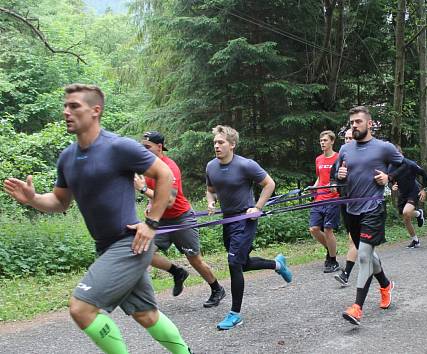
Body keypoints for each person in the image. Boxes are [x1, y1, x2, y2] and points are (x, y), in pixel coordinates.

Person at [3, 84, 192, 353]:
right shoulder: (67, 158)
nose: (66, 111)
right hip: (106, 246)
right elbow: (59, 201)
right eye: (65, 106)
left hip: (130, 242)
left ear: (95, 111)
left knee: (81, 308)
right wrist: (33, 199)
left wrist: (151, 224)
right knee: (146, 314)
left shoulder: (118, 147)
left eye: (74, 106)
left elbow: (165, 175)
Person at [206, 125, 292, 330]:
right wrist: (211, 202)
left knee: (234, 263)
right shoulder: (211, 166)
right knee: (242, 264)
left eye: (221, 142)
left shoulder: (246, 165)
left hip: (245, 220)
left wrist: (257, 207)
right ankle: (278, 265)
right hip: (228, 220)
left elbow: (269, 184)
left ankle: (235, 314)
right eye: (215, 143)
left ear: (232, 145)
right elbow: (210, 190)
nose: (217, 146)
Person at [134, 131, 225, 307]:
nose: (143, 151)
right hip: (159, 220)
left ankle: (217, 289)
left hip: (181, 218)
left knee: (194, 259)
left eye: (147, 147)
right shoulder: (148, 167)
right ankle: (177, 272)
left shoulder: (170, 167)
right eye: (142, 147)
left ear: (159, 147)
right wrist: (150, 203)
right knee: (145, 252)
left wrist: (143, 189)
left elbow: (169, 200)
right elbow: (156, 196)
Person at [336, 106, 403, 325]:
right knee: (368, 254)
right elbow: (338, 180)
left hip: (373, 208)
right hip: (351, 209)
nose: (354, 125)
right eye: (351, 122)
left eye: (358, 121)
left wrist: (389, 176)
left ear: (369, 123)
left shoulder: (384, 148)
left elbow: (405, 165)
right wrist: (340, 175)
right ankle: (385, 284)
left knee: (363, 255)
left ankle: (357, 307)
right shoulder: (345, 150)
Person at [308, 130, 340, 273]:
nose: (322, 143)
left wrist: (335, 185)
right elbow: (320, 177)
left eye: (325, 140)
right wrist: (314, 188)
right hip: (319, 199)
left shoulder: (339, 158)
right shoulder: (318, 159)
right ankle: (330, 247)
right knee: (314, 229)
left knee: (328, 229)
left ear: (332, 141)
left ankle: (332, 260)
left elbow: (342, 177)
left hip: (333, 199)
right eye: (321, 141)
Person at [389, 146, 427, 249]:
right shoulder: (391, 166)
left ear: (401, 154)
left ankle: (418, 213)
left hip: (413, 191)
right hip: (402, 193)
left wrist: (424, 189)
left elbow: (423, 174)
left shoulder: (410, 164)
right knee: (405, 217)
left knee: (406, 212)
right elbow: (390, 179)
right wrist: (392, 186)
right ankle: (415, 240)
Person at [333, 129, 358, 286]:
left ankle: (346, 273)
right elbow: (333, 175)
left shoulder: (364, 155)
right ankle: (378, 272)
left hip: (363, 202)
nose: (348, 140)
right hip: (345, 201)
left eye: (350, 138)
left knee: (354, 239)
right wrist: (336, 179)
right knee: (358, 241)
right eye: (346, 138)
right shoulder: (341, 156)